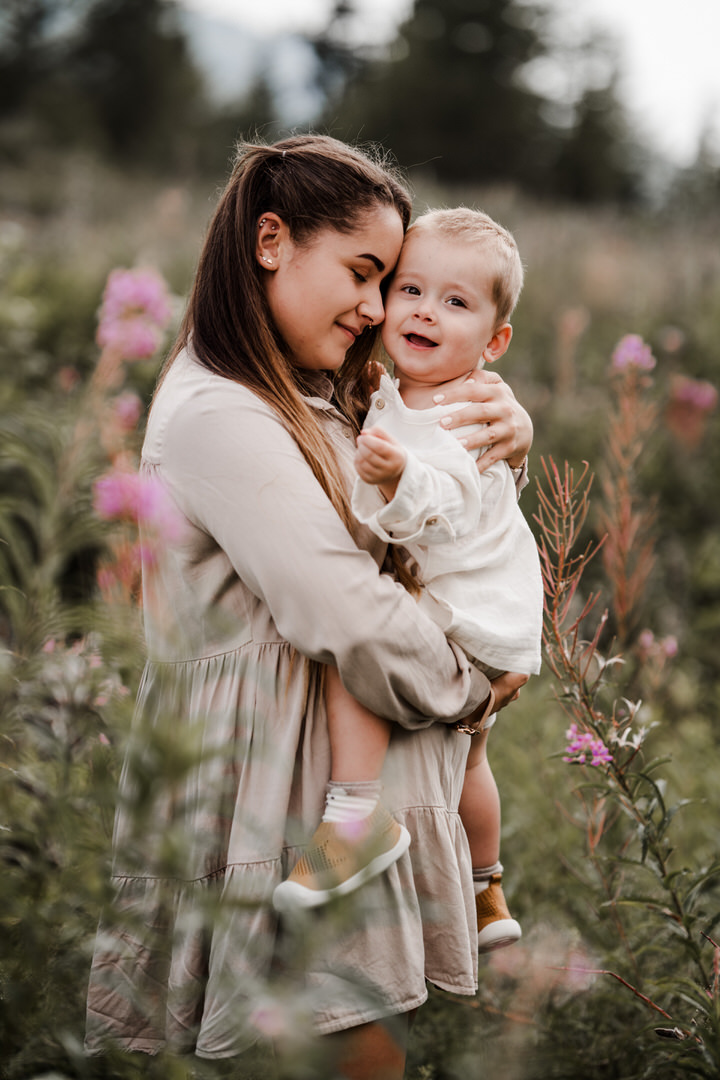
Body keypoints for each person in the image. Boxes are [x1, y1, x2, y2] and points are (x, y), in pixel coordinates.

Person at [84, 135, 533, 1078]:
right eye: (365, 275)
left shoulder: (320, 388)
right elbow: (346, 612)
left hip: (328, 791)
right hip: (271, 799)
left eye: (388, 283)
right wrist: (470, 691)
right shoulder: (220, 412)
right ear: (271, 242)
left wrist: (506, 436)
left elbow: (435, 508)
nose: (378, 308)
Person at [272, 208, 542, 954]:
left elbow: (453, 499)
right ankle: (487, 890)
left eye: (455, 302)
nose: (424, 310)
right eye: (411, 290)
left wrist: (399, 480)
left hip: (466, 612)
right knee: (473, 760)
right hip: (493, 612)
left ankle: (354, 819)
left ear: (494, 342)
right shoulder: (406, 391)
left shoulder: (461, 414)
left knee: (354, 654)